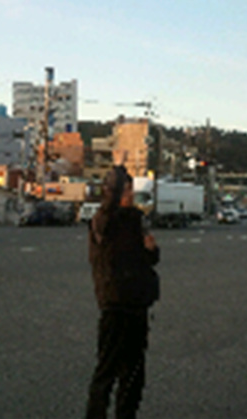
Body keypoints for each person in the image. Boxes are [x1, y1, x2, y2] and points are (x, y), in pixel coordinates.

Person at [85, 163, 160, 419]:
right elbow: (109, 259)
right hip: (115, 304)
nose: (131, 194)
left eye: (131, 188)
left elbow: (149, 259)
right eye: (126, 189)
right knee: (107, 371)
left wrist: (151, 250)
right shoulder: (104, 222)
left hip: (137, 304)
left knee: (134, 373)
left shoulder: (135, 219)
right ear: (114, 192)